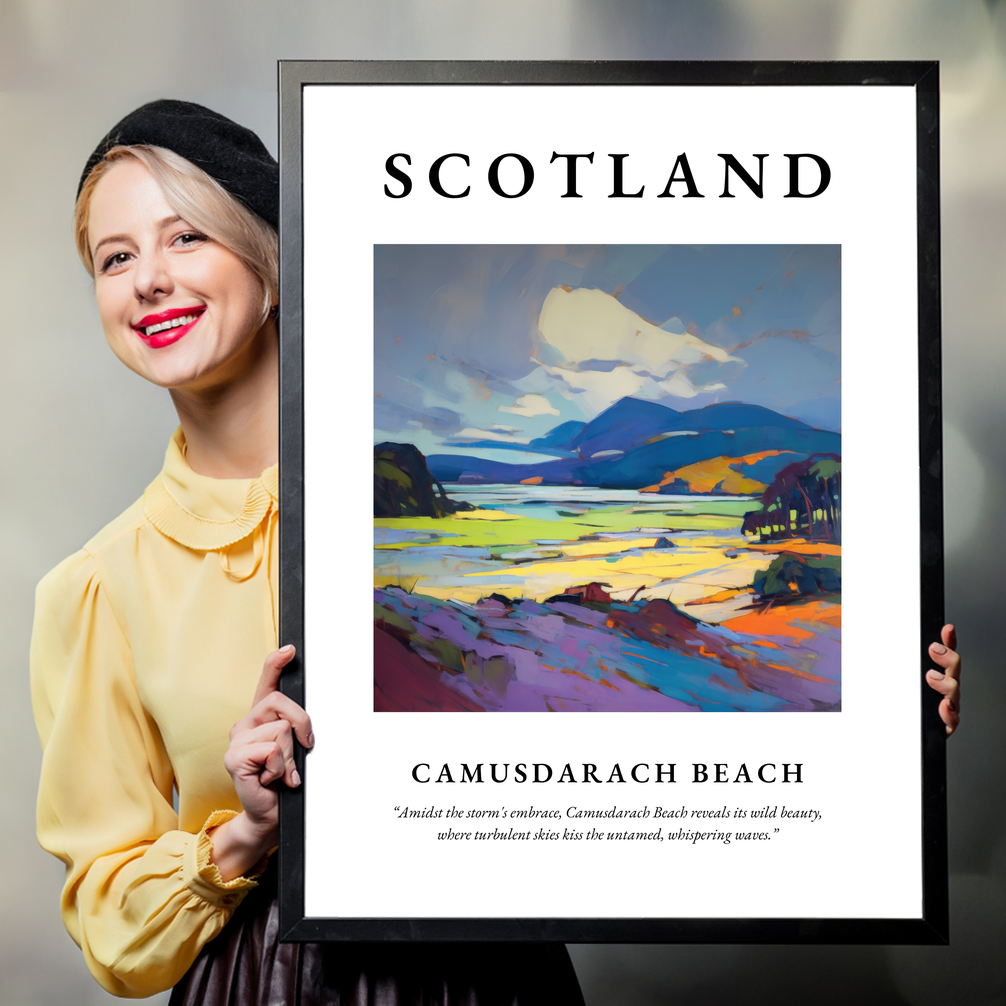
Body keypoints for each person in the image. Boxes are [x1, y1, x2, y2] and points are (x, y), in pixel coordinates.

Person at [30, 100, 585, 1004]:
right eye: (116, 257)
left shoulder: (419, 507)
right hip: (264, 982)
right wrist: (245, 832)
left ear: (273, 264)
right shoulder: (97, 587)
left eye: (185, 239)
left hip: (493, 974)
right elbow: (110, 924)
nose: (148, 281)